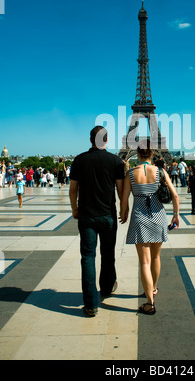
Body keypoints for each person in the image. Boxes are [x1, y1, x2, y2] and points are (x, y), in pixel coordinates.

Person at [69, 126, 125, 317]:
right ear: (106, 140)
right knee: (108, 253)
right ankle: (107, 288)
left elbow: (73, 189)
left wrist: (74, 208)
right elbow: (120, 189)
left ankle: (91, 303)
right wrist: (123, 209)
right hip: (108, 215)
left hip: (86, 215)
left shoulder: (79, 160)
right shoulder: (115, 161)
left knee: (87, 257)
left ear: (90, 140)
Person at [120, 140, 179, 316]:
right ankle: (153, 288)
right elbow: (174, 194)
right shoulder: (160, 171)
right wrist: (176, 215)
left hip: (139, 216)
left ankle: (149, 303)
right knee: (156, 257)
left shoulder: (131, 173)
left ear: (137, 154)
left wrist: (123, 213)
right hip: (158, 215)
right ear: (152, 154)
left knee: (144, 261)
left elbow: (124, 199)